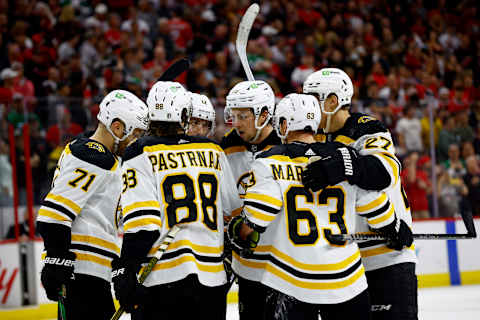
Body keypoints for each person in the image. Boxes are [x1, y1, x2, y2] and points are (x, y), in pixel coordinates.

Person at [228, 93, 412, 319]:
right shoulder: (345, 158)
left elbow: (257, 217)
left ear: (284, 124)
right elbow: (375, 205)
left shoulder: (269, 161)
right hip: (346, 280)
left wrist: (238, 231)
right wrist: (394, 229)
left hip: (289, 280)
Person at [112, 81, 242, 320]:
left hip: (162, 278)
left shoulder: (140, 151)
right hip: (211, 280)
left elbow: (144, 224)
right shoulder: (213, 150)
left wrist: (125, 267)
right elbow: (234, 212)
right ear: (185, 114)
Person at [302, 68, 418, 320]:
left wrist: (341, 164)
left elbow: (385, 172)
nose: (307, 106)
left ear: (332, 101)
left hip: (388, 253)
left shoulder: (366, 128)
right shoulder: (313, 137)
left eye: (312, 99)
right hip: (342, 262)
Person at [36, 90, 149, 320]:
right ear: (117, 128)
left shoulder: (102, 157)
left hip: (93, 275)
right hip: (82, 275)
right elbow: (53, 214)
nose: (137, 141)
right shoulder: (93, 156)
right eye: (135, 133)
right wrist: (57, 259)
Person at [221, 80, 281, 319]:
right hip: (244, 260)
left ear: (264, 115)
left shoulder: (284, 145)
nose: (236, 123)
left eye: (243, 116)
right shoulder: (228, 145)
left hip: (281, 261)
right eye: (233, 116)